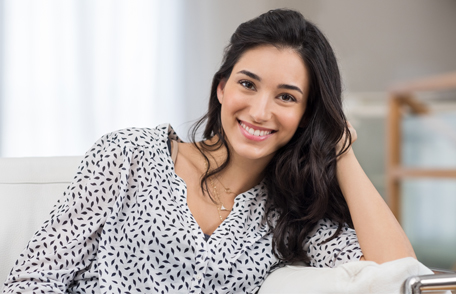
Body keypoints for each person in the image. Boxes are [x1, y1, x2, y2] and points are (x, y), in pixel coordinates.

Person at [2, 8, 415, 294]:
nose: (259, 110)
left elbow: (400, 278)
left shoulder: (293, 214)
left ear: (308, 116)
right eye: (247, 84)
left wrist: (340, 148)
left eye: (286, 97)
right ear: (222, 88)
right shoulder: (128, 154)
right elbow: (33, 281)